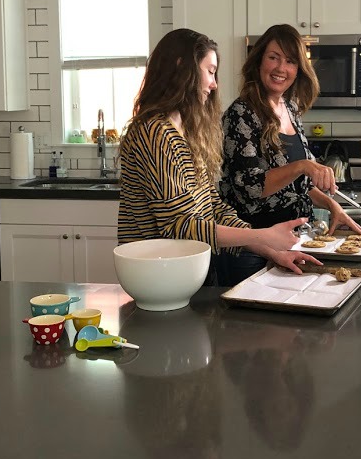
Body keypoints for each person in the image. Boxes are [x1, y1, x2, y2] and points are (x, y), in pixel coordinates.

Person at [118, 28, 317, 284]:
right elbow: (178, 225)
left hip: (187, 268)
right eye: (210, 71)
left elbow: (212, 206)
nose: (214, 84)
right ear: (182, 67)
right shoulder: (154, 131)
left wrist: (272, 251)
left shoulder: (188, 132)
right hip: (156, 274)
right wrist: (263, 236)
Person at [220, 24, 361, 283]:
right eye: (273, 57)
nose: (280, 68)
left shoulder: (290, 108)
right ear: (259, 61)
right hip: (253, 247)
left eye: (290, 61)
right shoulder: (241, 113)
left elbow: (297, 186)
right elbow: (251, 188)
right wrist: (303, 165)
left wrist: (332, 205)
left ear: (298, 70)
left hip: (293, 242)